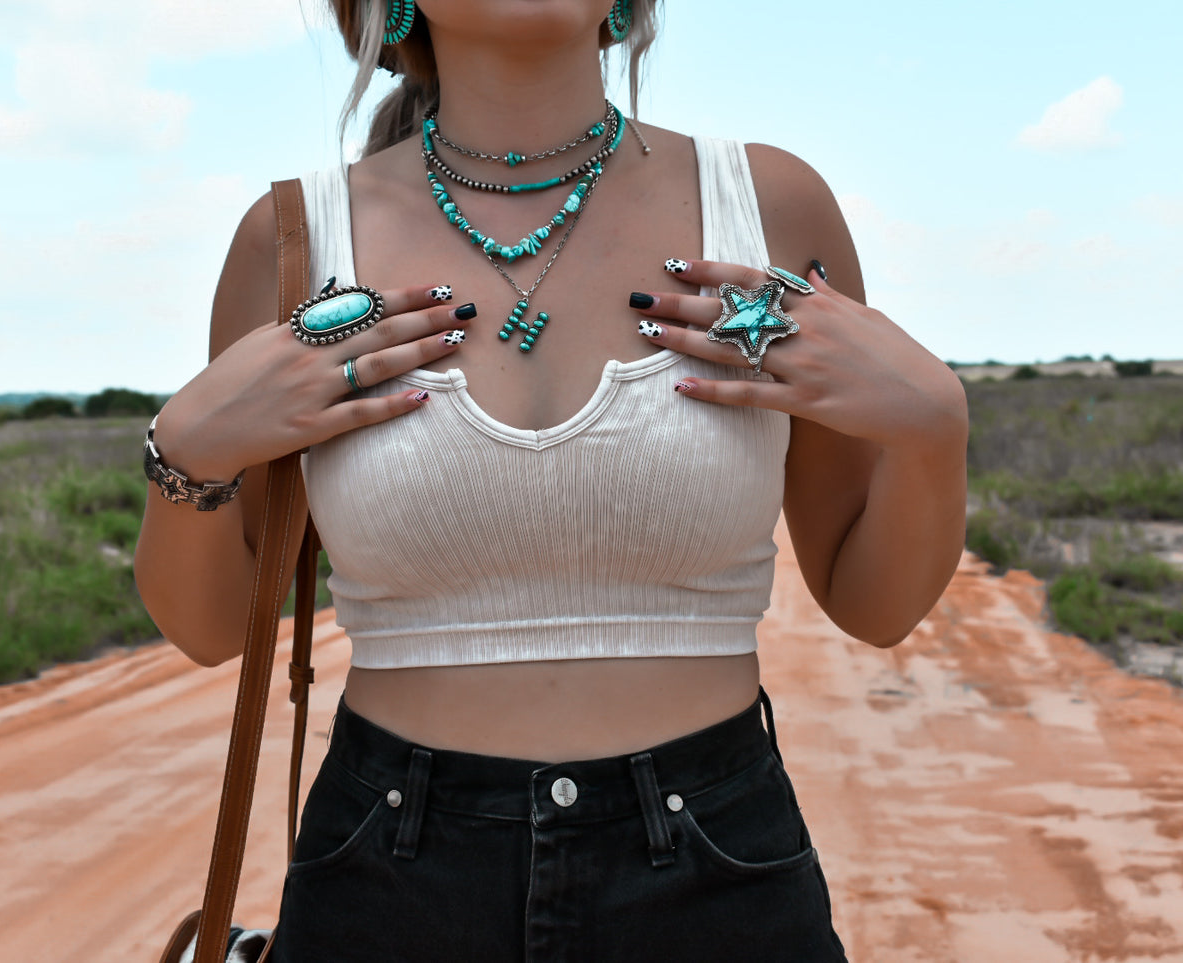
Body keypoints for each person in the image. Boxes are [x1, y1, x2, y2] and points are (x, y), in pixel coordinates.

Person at [134, 0, 968, 958]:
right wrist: (186, 444)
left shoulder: (769, 206)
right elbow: (206, 629)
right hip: (388, 877)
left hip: (717, 872)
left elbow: (875, 604)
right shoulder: (291, 241)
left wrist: (932, 433)